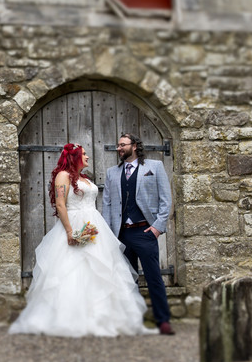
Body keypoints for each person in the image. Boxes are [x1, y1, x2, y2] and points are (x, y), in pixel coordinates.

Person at [9, 143, 156, 337]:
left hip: (94, 227)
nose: (87, 156)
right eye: (84, 154)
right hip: (74, 224)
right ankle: (72, 319)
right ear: (74, 156)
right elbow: (61, 205)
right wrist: (70, 232)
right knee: (73, 269)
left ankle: (104, 318)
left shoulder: (84, 178)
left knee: (101, 269)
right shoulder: (63, 176)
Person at [102, 133, 175, 335]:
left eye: (122, 144)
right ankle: (131, 321)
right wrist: (110, 233)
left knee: (154, 278)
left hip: (145, 232)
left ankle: (163, 321)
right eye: (117, 145)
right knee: (127, 279)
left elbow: (165, 200)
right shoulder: (112, 173)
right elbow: (107, 203)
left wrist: (157, 227)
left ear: (134, 146)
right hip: (122, 234)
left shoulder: (154, 167)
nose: (119, 148)